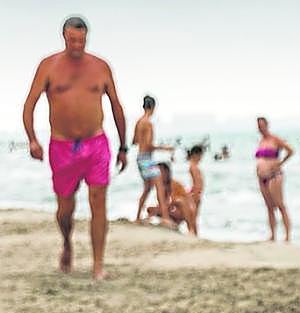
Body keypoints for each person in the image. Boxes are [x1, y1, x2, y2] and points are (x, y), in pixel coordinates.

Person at [21, 15, 129, 279]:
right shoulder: (48, 66)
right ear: (64, 38)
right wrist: (32, 139)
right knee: (65, 209)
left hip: (96, 144)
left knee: (98, 201)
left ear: (86, 38)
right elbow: (29, 105)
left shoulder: (101, 67)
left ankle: (98, 265)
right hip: (62, 146)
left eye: (81, 40)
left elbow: (116, 106)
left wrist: (124, 146)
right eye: (72, 40)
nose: (77, 45)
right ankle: (67, 242)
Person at [132, 95, 174, 225]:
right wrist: (165, 148)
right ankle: (166, 218)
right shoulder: (148, 123)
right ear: (153, 107)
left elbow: (134, 141)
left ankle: (138, 216)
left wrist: (143, 141)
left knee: (147, 188)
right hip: (146, 158)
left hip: (140, 158)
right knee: (159, 186)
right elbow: (149, 145)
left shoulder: (139, 122)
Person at [254, 116, 293, 242]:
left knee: (280, 205)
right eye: (258, 125)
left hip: (274, 176)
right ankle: (272, 235)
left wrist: (280, 163)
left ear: (267, 125)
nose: (260, 128)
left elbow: (290, 151)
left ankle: (287, 235)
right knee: (269, 207)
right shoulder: (261, 141)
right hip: (262, 177)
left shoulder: (274, 139)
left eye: (262, 125)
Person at [145, 163, 197, 236]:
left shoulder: (173, 184)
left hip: (181, 210)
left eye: (160, 172)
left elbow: (178, 200)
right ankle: (164, 224)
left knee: (179, 201)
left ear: (167, 172)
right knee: (150, 209)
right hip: (171, 209)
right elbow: (162, 202)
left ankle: (190, 229)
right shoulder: (160, 185)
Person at [186, 144, 205, 222]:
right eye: (200, 156)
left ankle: (193, 231)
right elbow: (196, 182)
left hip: (197, 193)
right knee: (193, 216)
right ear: (195, 154)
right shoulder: (193, 166)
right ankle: (193, 231)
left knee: (194, 216)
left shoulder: (194, 166)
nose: (201, 158)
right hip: (196, 193)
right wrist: (196, 194)